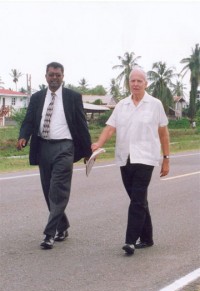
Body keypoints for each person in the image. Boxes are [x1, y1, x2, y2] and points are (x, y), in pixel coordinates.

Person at [92, 67, 170, 255]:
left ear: (146, 83)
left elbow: (163, 133)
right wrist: (98, 144)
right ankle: (147, 238)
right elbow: (110, 128)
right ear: (129, 83)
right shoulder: (122, 105)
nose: (135, 84)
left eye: (139, 81)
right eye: (132, 81)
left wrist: (166, 158)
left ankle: (130, 241)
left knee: (137, 199)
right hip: (124, 157)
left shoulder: (155, 104)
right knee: (138, 199)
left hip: (146, 158)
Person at [17, 62, 92, 250]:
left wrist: (87, 151)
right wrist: (23, 137)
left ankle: (49, 234)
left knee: (58, 190)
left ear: (63, 76)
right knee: (48, 191)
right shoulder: (36, 98)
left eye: (58, 75)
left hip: (65, 148)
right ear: (46, 77)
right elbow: (28, 121)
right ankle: (63, 225)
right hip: (43, 147)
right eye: (51, 75)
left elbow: (82, 125)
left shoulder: (73, 97)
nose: (54, 78)